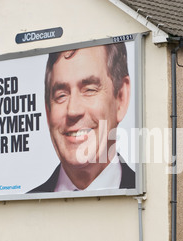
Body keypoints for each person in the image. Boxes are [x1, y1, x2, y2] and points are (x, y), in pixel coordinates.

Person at [29, 42, 135, 193]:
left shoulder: (154, 197)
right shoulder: (22, 208)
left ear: (121, 97)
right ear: (48, 111)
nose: (73, 111)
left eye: (89, 90)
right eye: (61, 95)